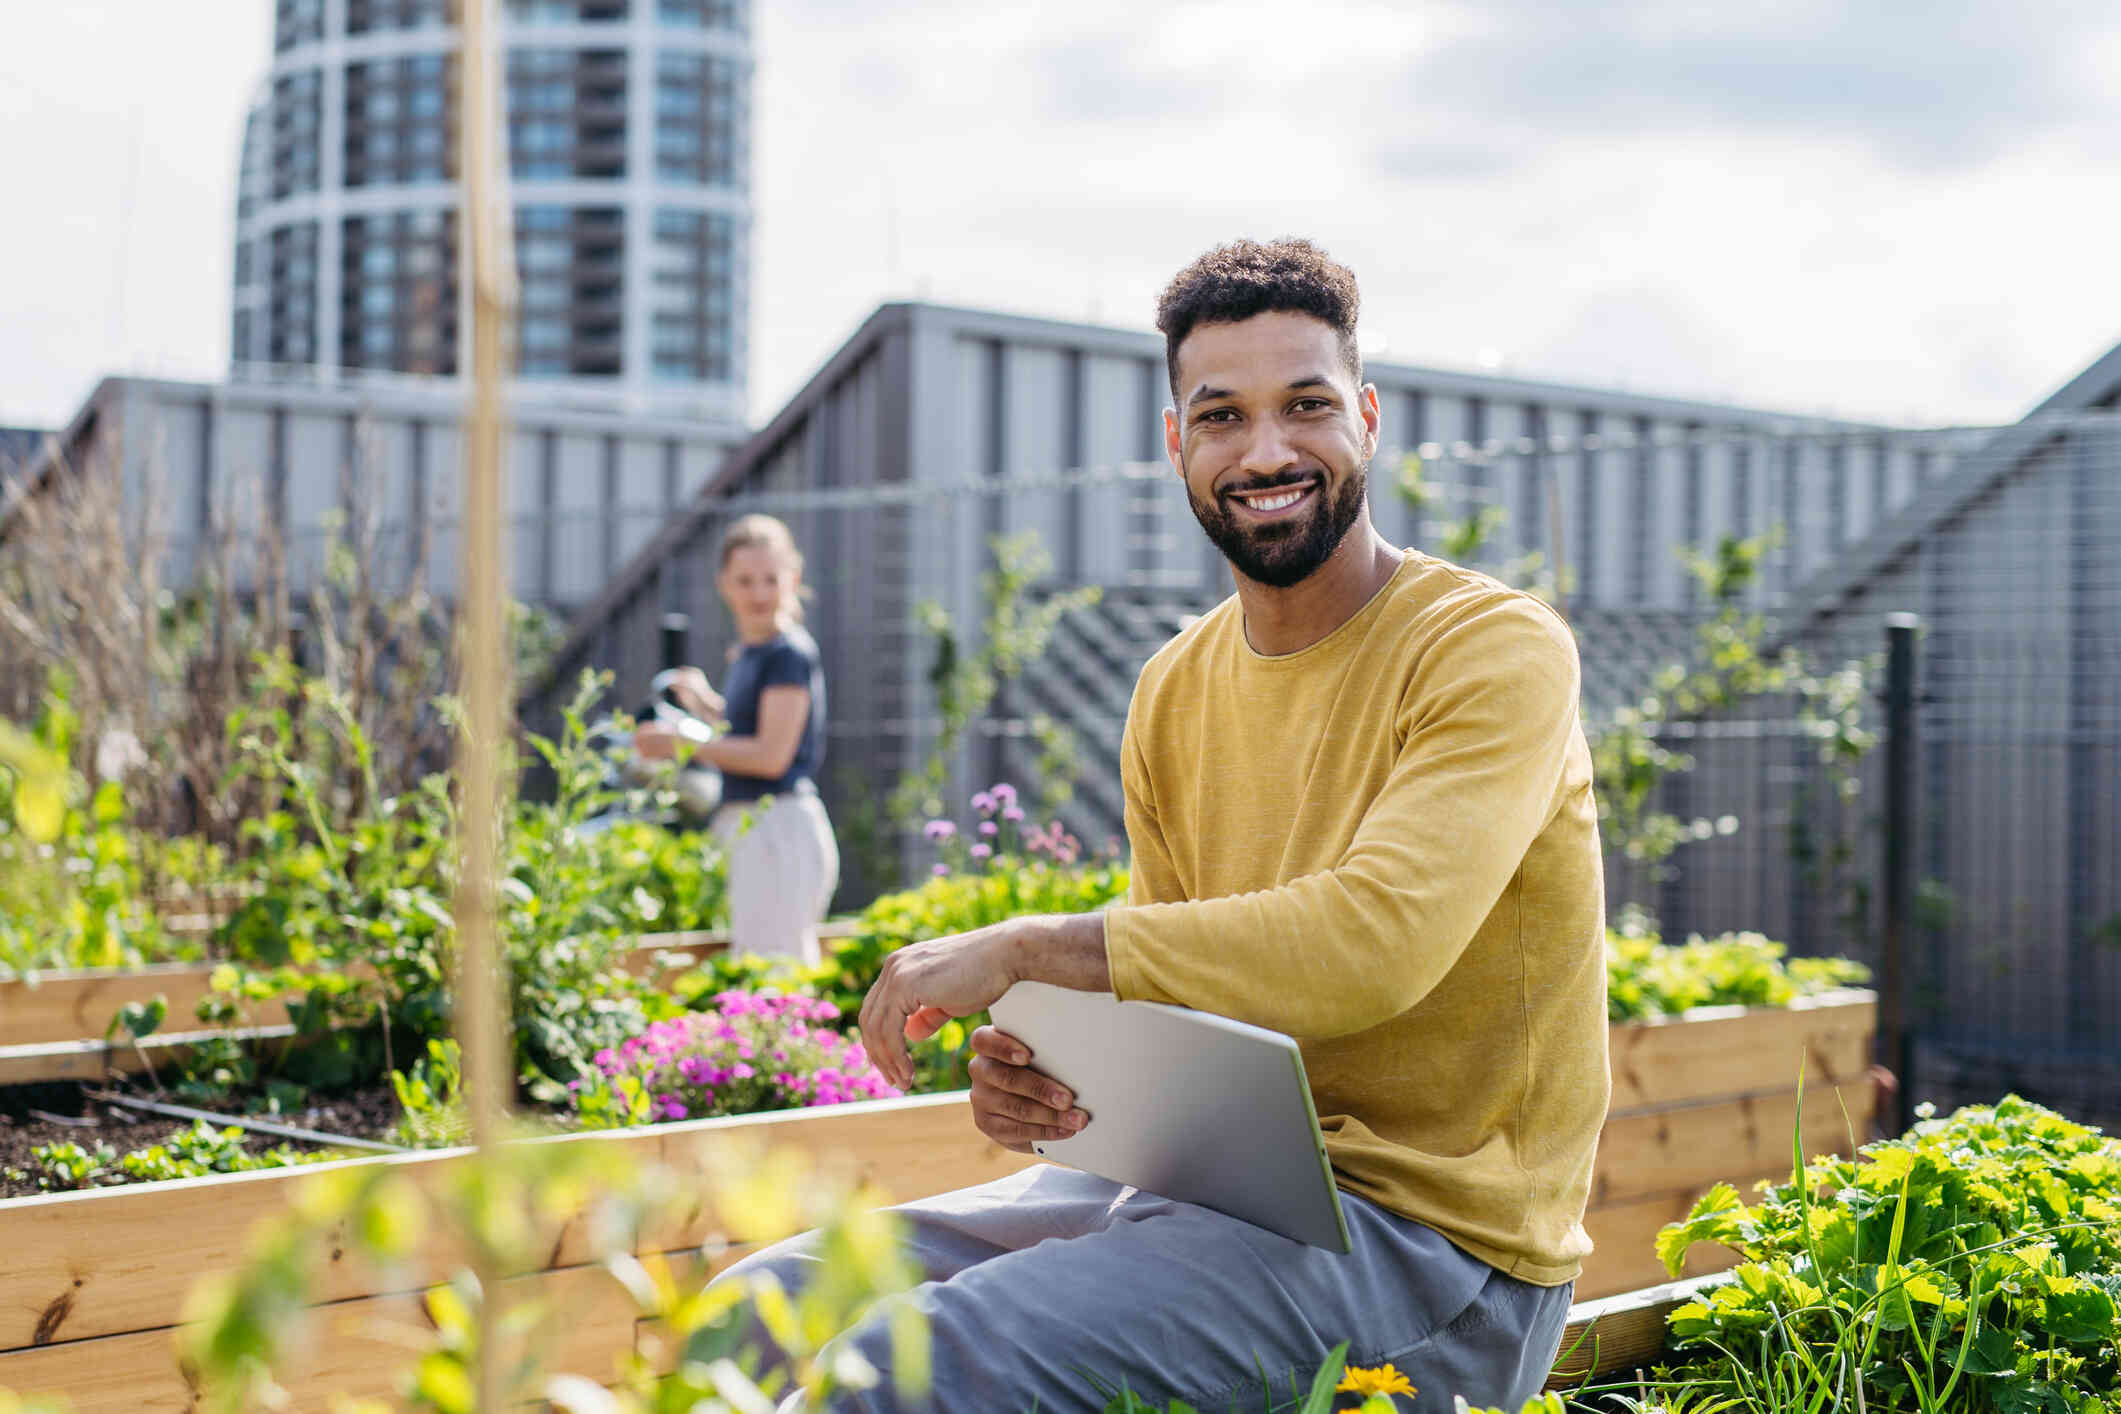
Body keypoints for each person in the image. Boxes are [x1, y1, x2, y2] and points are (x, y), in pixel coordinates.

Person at [716, 240, 1609, 1413]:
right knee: (753, 1316)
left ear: (1370, 419)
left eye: (1307, 406)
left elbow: (1376, 942)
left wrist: (1035, 949)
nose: (1268, 450)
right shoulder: (1176, 685)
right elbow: (1180, 991)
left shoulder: (1489, 649)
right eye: (1223, 415)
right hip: (1222, 1189)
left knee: (889, 1377)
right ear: (1178, 441)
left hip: (1435, 1251)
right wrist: (1055, 1075)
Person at [635, 513, 839, 965]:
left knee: (776, 975)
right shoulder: (752, 652)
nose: (760, 593)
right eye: (745, 580)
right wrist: (707, 703)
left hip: (780, 828)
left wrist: (677, 745)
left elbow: (770, 757)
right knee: (764, 969)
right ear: (724, 584)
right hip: (756, 827)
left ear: (794, 579)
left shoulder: (788, 654)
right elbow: (749, 728)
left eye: (771, 578)